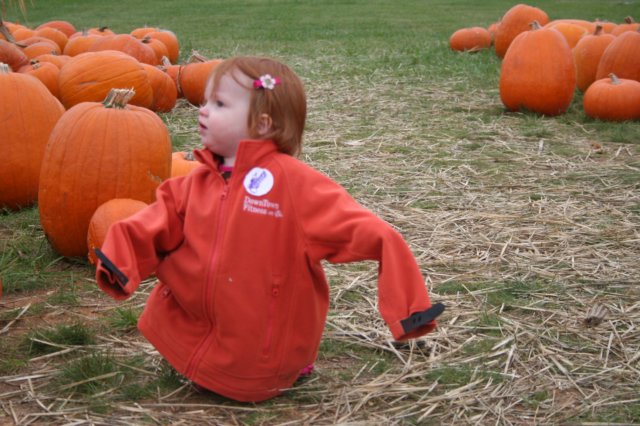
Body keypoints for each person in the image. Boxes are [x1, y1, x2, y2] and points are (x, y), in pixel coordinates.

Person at [94, 56, 444, 403]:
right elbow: (151, 223)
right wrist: (119, 261)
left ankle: (284, 362)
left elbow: (378, 236)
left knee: (254, 358)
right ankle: (203, 359)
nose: (203, 110)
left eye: (219, 103)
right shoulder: (195, 182)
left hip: (258, 346)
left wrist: (409, 310)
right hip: (188, 326)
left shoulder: (296, 187)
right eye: (205, 100)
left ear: (262, 124)